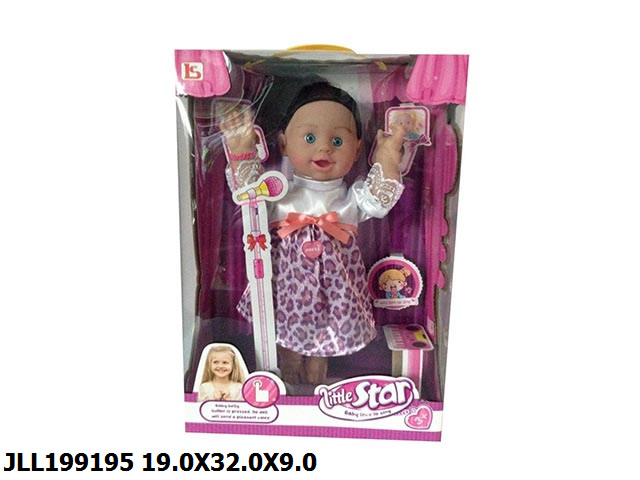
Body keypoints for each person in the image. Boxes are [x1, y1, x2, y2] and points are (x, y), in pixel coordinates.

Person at [221, 82, 406, 386]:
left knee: (324, 343)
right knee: (284, 338)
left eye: (338, 140)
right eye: (310, 138)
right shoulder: (280, 192)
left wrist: (387, 158)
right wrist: (242, 152)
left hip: (335, 292)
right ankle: (286, 379)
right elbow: (250, 199)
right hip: (287, 287)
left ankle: (317, 384)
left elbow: (378, 200)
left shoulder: (350, 197)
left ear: (358, 149)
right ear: (283, 144)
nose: (324, 148)